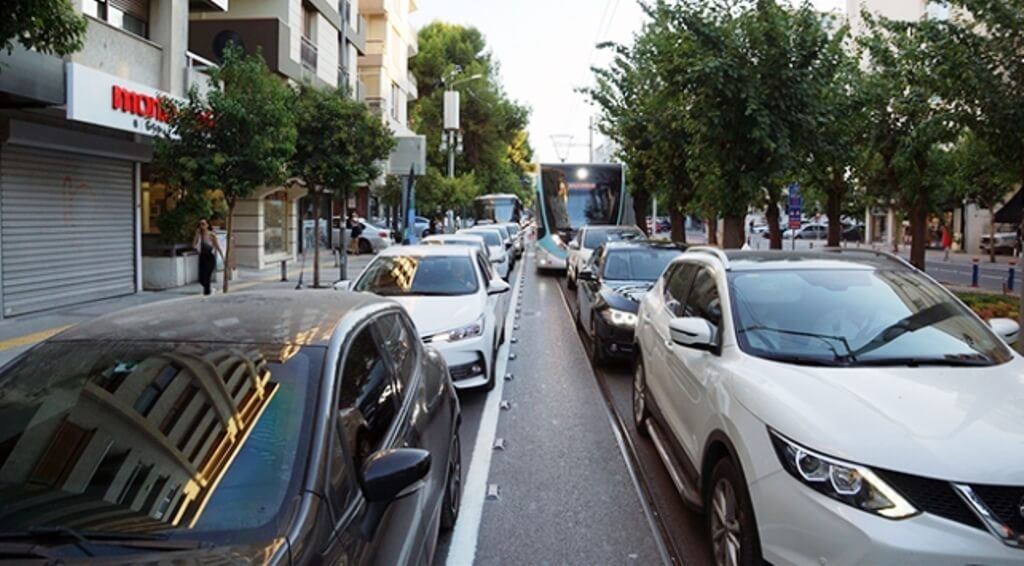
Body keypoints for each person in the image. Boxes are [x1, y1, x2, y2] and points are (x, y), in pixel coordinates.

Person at [193, 219, 224, 296]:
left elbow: (217, 245)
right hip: (202, 257)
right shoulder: (199, 235)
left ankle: (207, 292)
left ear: (207, 225)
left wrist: (222, 256)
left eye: (203, 224)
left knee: (207, 276)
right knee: (201, 278)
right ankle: (209, 289)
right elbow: (193, 245)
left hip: (210, 257)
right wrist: (196, 235)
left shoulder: (211, 235)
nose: (201, 226)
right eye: (200, 224)